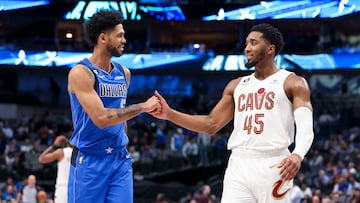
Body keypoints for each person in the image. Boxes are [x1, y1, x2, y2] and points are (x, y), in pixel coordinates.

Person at [151, 23, 314, 202]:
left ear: (270, 49)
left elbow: (305, 125)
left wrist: (298, 154)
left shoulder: (293, 82)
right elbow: (211, 124)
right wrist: (170, 114)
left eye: (253, 43)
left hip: (274, 163)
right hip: (239, 163)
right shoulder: (236, 85)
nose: (247, 48)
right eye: (246, 44)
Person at [67, 10, 160, 203]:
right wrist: (143, 107)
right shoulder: (81, 73)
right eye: (119, 35)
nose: (124, 40)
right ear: (102, 37)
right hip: (89, 159)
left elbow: (121, 113)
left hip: (119, 158)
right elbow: (101, 118)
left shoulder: (124, 73)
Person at [38, 135, 72, 203]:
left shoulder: (62, 152)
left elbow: (41, 159)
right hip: (77, 188)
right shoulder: (82, 154)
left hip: (63, 188)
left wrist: (54, 145)